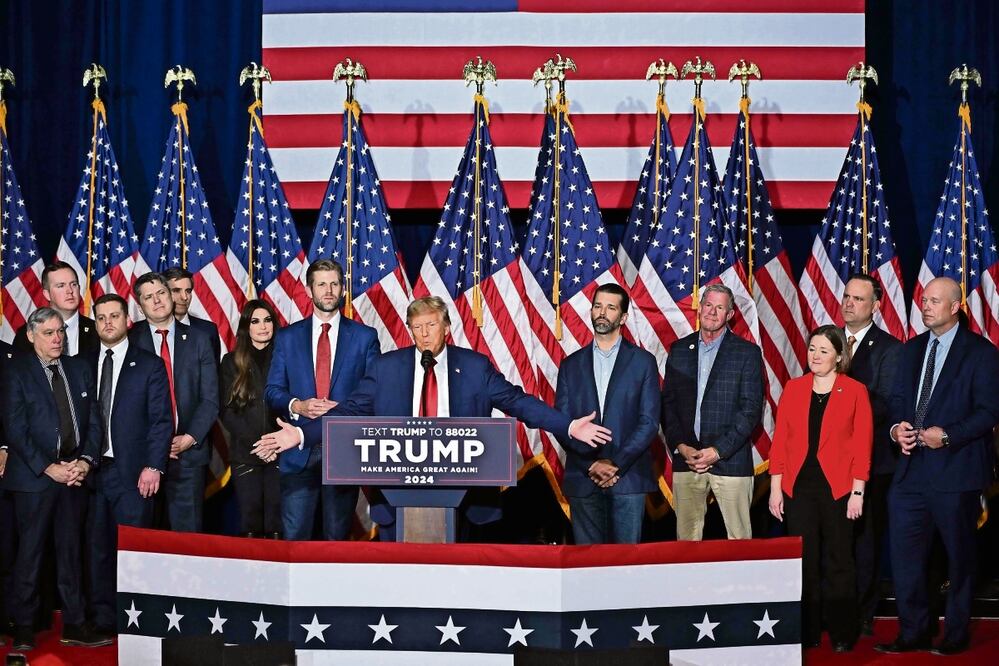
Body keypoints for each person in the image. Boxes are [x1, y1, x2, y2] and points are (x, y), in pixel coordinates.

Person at [254, 295, 612, 536]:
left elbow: (518, 402)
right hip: (397, 499)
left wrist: (567, 425)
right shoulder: (386, 368)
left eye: (431, 326)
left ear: (446, 328)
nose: (424, 334)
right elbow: (346, 413)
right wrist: (299, 435)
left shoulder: (474, 368)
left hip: (464, 501)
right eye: (417, 328)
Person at [876, 277, 999, 656]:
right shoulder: (911, 350)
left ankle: (956, 632)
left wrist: (947, 436)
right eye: (923, 299)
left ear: (954, 307)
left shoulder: (981, 352)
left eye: (933, 300)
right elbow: (897, 400)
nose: (925, 306)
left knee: (959, 557)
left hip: (957, 471)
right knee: (905, 556)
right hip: (911, 473)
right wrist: (897, 429)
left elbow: (989, 411)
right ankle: (914, 631)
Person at [0, 308, 110, 650]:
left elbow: (94, 421)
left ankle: (76, 625)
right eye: (48, 333)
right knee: (30, 554)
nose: (57, 338)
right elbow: (15, 429)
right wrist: (49, 468)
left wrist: (85, 462)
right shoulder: (16, 371)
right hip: (35, 478)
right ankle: (23, 628)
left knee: (71, 552)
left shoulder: (78, 368)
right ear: (32, 336)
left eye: (60, 331)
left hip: (74, 475)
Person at [769, 325, 872, 652]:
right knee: (804, 560)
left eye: (824, 350)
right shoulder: (793, 388)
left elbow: (862, 444)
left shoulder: (855, 390)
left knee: (839, 559)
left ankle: (843, 631)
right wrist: (775, 487)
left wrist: (858, 491)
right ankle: (808, 630)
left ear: (839, 356)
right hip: (797, 487)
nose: (815, 356)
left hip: (839, 488)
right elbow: (780, 441)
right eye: (812, 349)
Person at [263, 260, 380, 541]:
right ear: (309, 289)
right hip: (298, 450)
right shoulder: (288, 337)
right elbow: (272, 390)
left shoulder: (365, 337)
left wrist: (341, 411)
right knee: (295, 538)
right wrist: (298, 405)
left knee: (337, 540)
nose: (328, 290)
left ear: (343, 290)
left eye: (334, 284)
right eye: (321, 284)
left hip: (344, 449)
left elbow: (374, 391)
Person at [85, 293, 172, 634]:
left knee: (135, 549)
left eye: (114, 316)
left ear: (126, 320)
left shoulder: (148, 364)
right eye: (101, 317)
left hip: (135, 474)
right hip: (92, 473)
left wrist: (154, 465)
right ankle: (104, 619)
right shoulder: (82, 363)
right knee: (97, 549)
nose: (108, 322)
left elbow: (161, 420)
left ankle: (136, 619)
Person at [554, 284, 660, 544]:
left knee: (625, 569)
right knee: (587, 568)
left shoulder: (643, 362)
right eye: (598, 306)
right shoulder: (570, 365)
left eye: (611, 307)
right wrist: (591, 464)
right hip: (583, 476)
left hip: (628, 478)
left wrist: (615, 464)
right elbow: (562, 423)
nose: (602, 312)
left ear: (623, 318)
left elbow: (648, 422)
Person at [661, 284, 764, 540]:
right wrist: (680, 445)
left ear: (730, 315)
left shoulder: (747, 353)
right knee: (686, 543)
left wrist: (718, 451)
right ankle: (688, 582)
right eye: (708, 305)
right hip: (688, 459)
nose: (712, 312)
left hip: (730, 461)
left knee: (739, 542)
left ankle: (739, 583)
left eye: (720, 307)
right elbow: (668, 405)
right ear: (700, 308)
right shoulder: (680, 350)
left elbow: (750, 410)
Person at [128, 272, 219, 532]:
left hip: (189, 453)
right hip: (143, 455)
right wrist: (155, 443)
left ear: (170, 296)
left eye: (161, 293)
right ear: (140, 305)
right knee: (144, 538)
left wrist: (190, 437)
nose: (156, 300)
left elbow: (210, 398)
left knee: (187, 538)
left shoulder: (200, 339)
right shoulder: (131, 341)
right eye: (149, 297)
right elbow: (125, 405)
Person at [839, 273, 902, 636]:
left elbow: (884, 404)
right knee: (836, 540)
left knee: (865, 541)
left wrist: (835, 414)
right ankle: (836, 607)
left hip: (871, 463)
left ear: (876, 305)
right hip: (830, 464)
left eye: (859, 299)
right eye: (847, 296)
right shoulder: (828, 341)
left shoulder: (890, 349)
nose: (849, 303)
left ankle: (863, 612)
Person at [220, 299, 282, 538]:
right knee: (251, 521)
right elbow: (226, 410)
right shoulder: (230, 362)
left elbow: (291, 405)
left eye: (267, 320)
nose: (263, 326)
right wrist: (258, 444)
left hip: (281, 452)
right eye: (255, 321)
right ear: (246, 326)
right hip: (246, 454)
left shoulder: (285, 358)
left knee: (277, 523)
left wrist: (274, 443)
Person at [13, 261, 100, 357]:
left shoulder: (97, 330)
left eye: (73, 284)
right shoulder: (28, 333)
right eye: (61, 286)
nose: (70, 291)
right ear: (47, 294)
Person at [162, 267, 222, 363]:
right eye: (176, 290)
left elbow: (214, 374)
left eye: (188, 291)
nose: (185, 297)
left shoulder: (208, 330)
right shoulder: (144, 331)